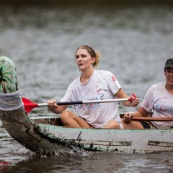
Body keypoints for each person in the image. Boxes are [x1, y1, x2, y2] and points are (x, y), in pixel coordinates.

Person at [47, 45, 141, 129]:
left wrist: (132, 102)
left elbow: (124, 99)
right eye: (77, 57)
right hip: (88, 127)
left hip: (110, 126)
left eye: (83, 56)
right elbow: (58, 109)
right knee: (65, 114)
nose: (79, 59)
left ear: (93, 59)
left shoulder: (106, 76)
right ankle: (84, 139)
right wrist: (52, 106)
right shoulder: (73, 86)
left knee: (113, 125)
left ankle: (87, 140)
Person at [124, 58, 173, 129]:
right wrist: (130, 116)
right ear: (165, 72)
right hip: (154, 127)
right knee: (125, 123)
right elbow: (142, 113)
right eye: (169, 71)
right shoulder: (154, 89)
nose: (171, 74)